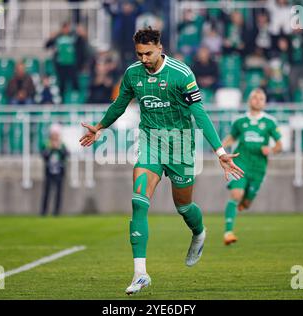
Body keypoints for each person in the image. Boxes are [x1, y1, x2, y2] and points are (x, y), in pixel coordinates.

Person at [79, 27, 244, 295]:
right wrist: (99, 127)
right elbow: (120, 104)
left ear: (159, 47)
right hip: (150, 143)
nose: (143, 59)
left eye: (148, 53)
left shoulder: (181, 74)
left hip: (180, 146)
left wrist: (220, 153)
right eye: (139, 54)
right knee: (138, 201)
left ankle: (199, 232)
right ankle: (140, 273)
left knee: (183, 206)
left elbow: (199, 113)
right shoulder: (133, 73)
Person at [221, 89, 282, 245]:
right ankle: (228, 232)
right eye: (254, 97)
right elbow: (232, 137)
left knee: (246, 203)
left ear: (265, 102)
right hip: (240, 163)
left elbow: (280, 145)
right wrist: (220, 148)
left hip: (258, 168)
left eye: (261, 98)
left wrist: (271, 150)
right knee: (236, 194)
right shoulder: (240, 121)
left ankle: (243, 203)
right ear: (249, 101)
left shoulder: (270, 122)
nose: (257, 100)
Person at [40, 124, 69, 216]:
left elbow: (66, 155)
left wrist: (59, 148)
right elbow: (44, 156)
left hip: (59, 171)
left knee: (58, 193)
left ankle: (56, 212)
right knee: (46, 192)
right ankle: (44, 212)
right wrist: (51, 148)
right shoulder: (46, 144)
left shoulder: (62, 144)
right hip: (49, 171)